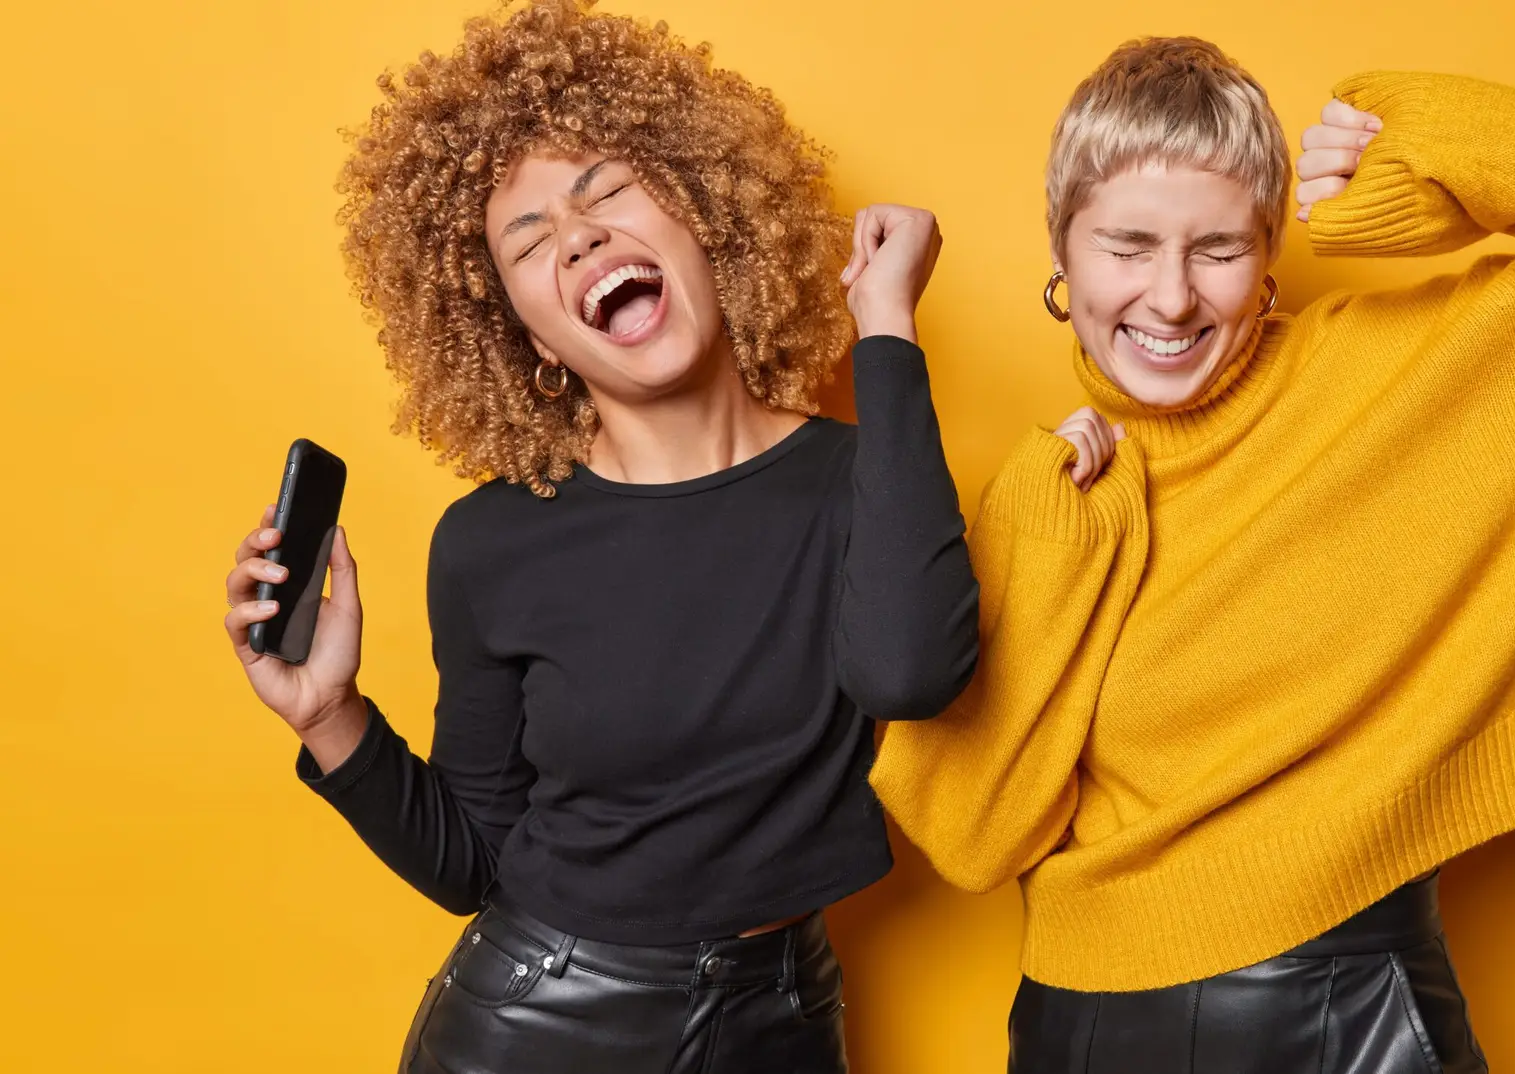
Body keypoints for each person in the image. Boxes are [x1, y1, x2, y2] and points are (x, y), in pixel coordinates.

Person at [870, 37, 1515, 1072]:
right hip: (1086, 1029)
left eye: (1218, 249)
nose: (1172, 297)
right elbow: (967, 836)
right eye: (1128, 244)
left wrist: (1435, 143)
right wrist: (1054, 532)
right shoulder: (1054, 490)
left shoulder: (1417, 378)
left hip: (1346, 1013)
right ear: (1062, 250)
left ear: (1272, 249)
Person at [218, 2, 978, 1071]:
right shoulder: (492, 544)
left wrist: (889, 329)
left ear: (706, 211)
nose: (577, 237)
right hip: (537, 1027)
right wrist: (330, 715)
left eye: (607, 191)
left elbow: (911, 672)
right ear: (526, 333)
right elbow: (474, 863)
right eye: (529, 244)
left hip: (784, 1021)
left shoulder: (864, 481)